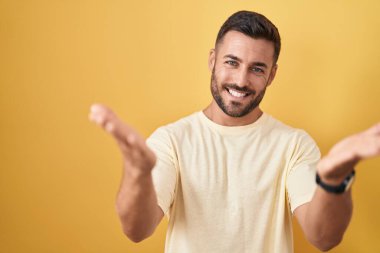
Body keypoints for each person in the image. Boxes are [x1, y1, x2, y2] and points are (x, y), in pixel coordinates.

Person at [88, 10, 380, 253]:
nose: (241, 80)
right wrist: (138, 173)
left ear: (272, 75)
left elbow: (324, 238)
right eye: (232, 62)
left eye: (257, 69)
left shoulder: (294, 145)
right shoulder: (172, 140)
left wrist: (333, 181)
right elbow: (136, 230)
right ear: (212, 60)